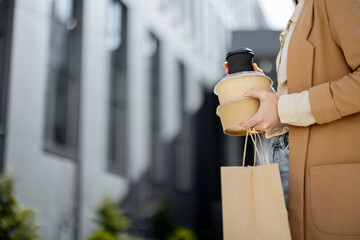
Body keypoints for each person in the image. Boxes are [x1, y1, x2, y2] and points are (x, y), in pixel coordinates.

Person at [224, 0, 360, 239]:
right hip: (297, 172)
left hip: (331, 187)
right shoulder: (303, 7)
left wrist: (283, 108)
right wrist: (267, 95)